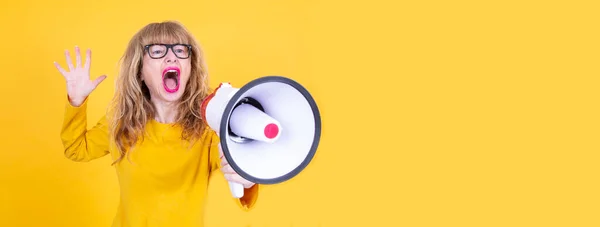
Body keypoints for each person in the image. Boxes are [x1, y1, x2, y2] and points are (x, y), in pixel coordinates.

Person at [53, 20, 259, 226]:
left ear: (190, 67)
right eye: (158, 51)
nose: (172, 57)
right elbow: (76, 149)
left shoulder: (207, 127)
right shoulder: (120, 122)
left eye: (180, 50)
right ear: (140, 71)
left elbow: (235, 167)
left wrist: (248, 177)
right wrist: (76, 102)